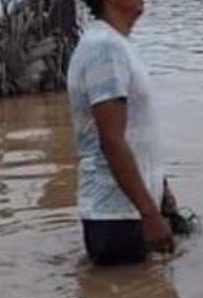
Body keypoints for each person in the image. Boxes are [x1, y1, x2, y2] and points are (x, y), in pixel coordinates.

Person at [67, 0, 177, 265]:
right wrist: (150, 215)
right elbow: (112, 140)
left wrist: (161, 189)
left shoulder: (117, 44)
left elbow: (136, 132)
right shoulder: (105, 48)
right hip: (116, 215)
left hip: (129, 211)